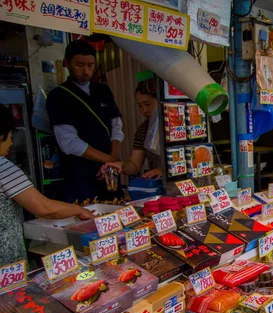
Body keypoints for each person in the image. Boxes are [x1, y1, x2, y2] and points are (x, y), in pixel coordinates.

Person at [0, 106, 94, 266]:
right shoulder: (3, 167)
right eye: (9, 136)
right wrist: (80, 210)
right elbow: (44, 207)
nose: (11, 142)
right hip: (6, 263)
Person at [46, 40, 125, 203]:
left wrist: (113, 162)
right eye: (80, 65)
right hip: (79, 175)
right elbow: (69, 142)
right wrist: (109, 160)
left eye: (91, 65)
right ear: (66, 63)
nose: (86, 71)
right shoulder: (58, 96)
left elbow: (116, 127)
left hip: (109, 173)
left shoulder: (103, 91)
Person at [102, 79, 162, 178]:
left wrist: (165, 171)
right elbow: (134, 165)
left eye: (148, 104)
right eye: (140, 106)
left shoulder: (177, 125)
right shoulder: (143, 130)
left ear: (159, 101)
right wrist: (121, 165)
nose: (144, 110)